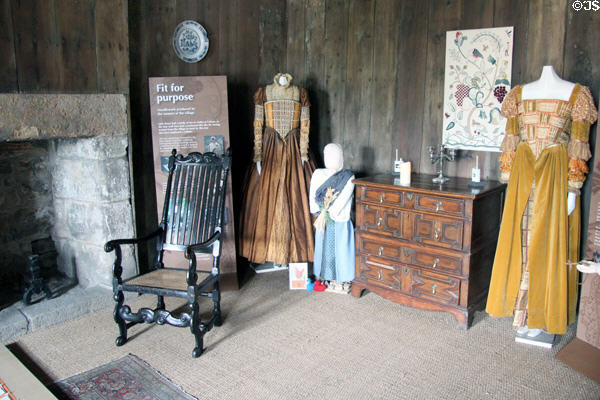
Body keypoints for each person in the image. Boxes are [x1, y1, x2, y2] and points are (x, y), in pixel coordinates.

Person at [486, 65, 597, 336]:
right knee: (520, 242)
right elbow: (512, 141)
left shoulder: (577, 96)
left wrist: (573, 189)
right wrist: (510, 182)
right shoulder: (518, 96)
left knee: (547, 242)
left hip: (555, 178)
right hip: (523, 178)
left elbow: (578, 146)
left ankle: (540, 311)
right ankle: (518, 308)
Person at [238, 73, 316, 266]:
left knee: (298, 198)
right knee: (264, 197)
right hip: (269, 148)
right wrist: (258, 154)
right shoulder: (264, 94)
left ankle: (296, 252)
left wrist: (304, 153)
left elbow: (305, 126)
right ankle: (269, 252)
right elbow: (258, 125)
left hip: (295, 148)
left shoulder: (301, 93)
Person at [309, 143, 355, 292]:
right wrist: (319, 210)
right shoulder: (318, 174)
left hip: (338, 219)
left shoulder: (347, 176)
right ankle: (325, 278)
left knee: (340, 249)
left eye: (336, 155)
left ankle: (342, 279)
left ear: (342, 158)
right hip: (324, 218)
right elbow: (313, 195)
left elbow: (343, 199)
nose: (333, 159)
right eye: (329, 155)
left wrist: (331, 211)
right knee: (324, 248)